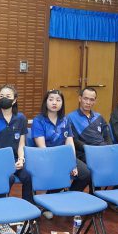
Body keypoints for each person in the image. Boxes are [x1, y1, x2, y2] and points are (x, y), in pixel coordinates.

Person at [31, 89, 92, 218]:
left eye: (58, 100)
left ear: (62, 103)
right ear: (46, 102)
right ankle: (47, 204)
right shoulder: (38, 120)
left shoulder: (65, 120)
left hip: (63, 157)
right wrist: (61, 164)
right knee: (60, 172)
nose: (54, 102)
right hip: (45, 158)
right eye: (51, 99)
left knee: (85, 174)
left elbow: (70, 143)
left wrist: (72, 162)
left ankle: (65, 198)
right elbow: (42, 147)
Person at [68, 87, 118, 194]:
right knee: (96, 168)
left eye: (92, 99)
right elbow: (73, 140)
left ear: (95, 101)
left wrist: (109, 148)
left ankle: (116, 194)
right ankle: (93, 194)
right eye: (85, 99)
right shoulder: (70, 117)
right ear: (80, 98)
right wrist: (91, 149)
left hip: (104, 150)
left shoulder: (98, 117)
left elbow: (107, 135)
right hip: (86, 152)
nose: (88, 102)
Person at [0, 84, 31, 234]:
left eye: (8, 96)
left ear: (15, 100)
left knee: (28, 176)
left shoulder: (21, 118)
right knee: (8, 178)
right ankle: (1, 218)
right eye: (1, 96)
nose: (4, 98)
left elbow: (22, 143)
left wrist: (21, 159)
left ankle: (28, 216)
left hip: (16, 159)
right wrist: (4, 160)